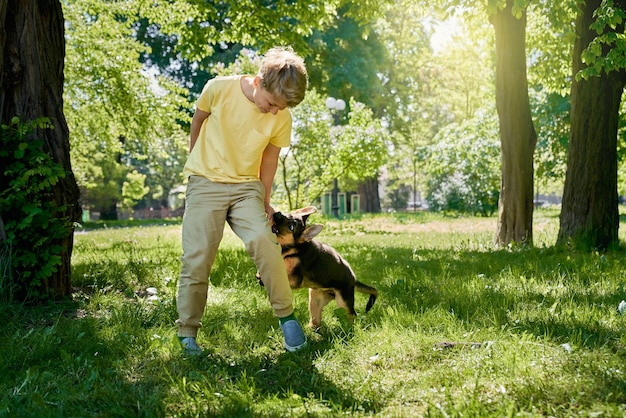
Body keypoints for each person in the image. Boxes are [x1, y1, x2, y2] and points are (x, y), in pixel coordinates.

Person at [175, 46, 309, 355]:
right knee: (198, 256)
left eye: (281, 108)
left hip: (246, 187)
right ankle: (187, 332)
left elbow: (270, 159)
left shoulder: (281, 116)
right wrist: (197, 162)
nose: (275, 111)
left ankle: (287, 317)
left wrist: (264, 198)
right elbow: (198, 122)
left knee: (265, 240)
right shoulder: (218, 88)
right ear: (259, 81)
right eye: (272, 103)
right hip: (206, 183)